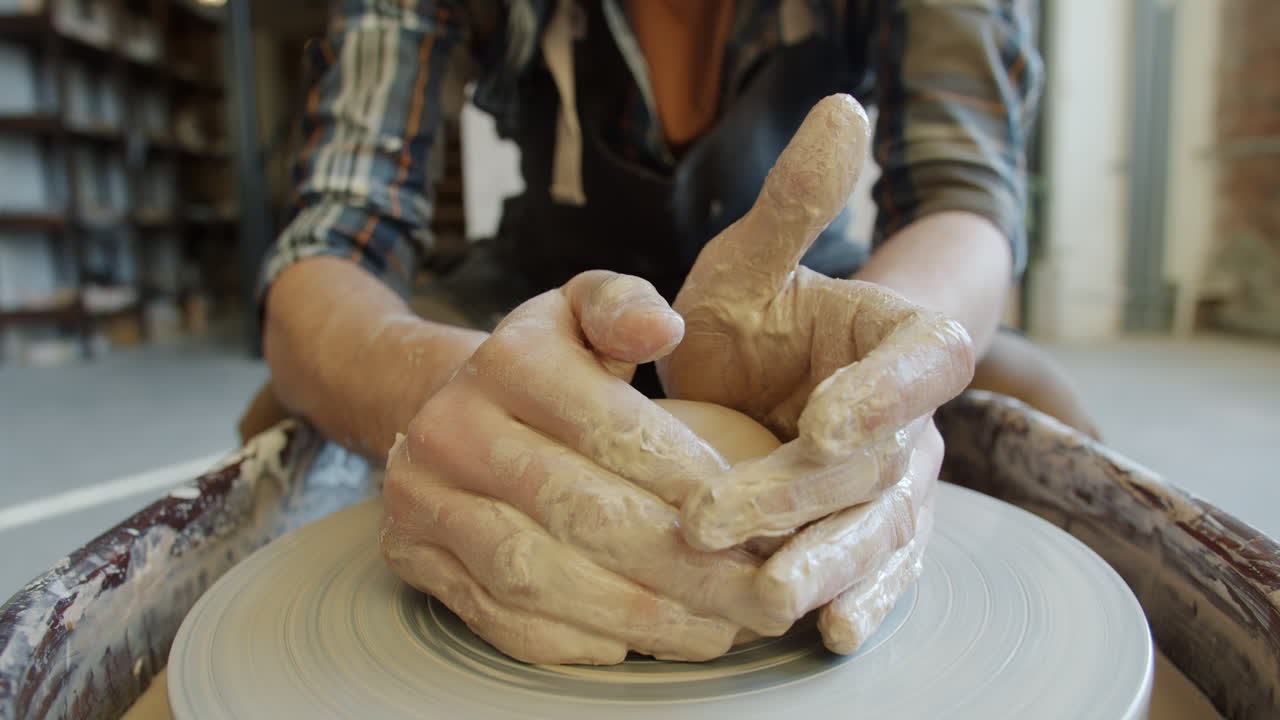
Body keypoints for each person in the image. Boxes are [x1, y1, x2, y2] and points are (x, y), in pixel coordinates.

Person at [256, 0, 1092, 663]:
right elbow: (333, 241)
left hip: (797, 299)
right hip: (552, 294)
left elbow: (962, 198)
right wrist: (453, 390)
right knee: (288, 417)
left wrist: (872, 380)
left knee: (1045, 410)